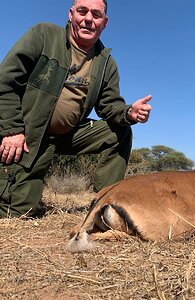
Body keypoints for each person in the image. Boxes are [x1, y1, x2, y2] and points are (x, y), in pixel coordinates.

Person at [0, 0, 152, 218]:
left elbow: (109, 106)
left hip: (69, 135)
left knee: (120, 132)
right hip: (27, 135)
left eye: (96, 15)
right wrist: (12, 130)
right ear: (71, 14)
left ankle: (107, 205)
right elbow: (5, 82)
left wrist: (128, 113)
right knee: (18, 211)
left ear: (105, 23)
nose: (88, 19)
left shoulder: (106, 63)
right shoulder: (43, 35)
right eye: (82, 11)